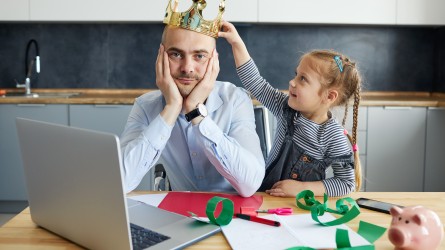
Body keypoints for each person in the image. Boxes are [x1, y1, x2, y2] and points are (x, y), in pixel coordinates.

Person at [119, 1, 265, 198]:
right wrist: (171, 108)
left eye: (199, 56)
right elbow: (121, 181)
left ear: (214, 60)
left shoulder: (236, 100)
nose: (187, 67)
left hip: (237, 214)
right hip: (182, 218)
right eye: (176, 54)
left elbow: (250, 185)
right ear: (161, 57)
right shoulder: (146, 107)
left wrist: (196, 113)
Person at [219, 21, 362, 197]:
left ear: (329, 97)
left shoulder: (333, 136)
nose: (292, 82)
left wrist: (303, 189)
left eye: (303, 79)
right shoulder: (285, 108)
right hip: (264, 197)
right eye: (296, 74)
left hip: (301, 210)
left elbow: (346, 184)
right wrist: (236, 43)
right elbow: (255, 82)